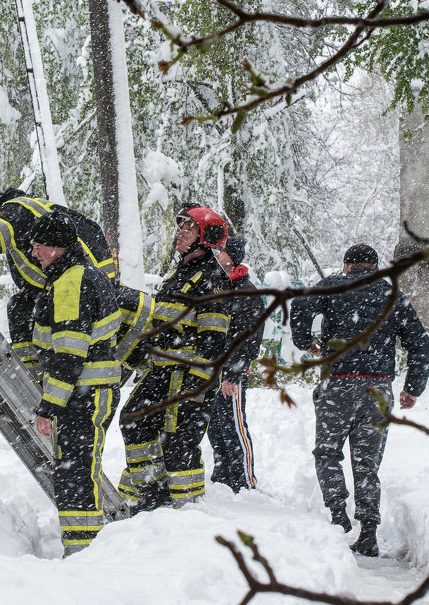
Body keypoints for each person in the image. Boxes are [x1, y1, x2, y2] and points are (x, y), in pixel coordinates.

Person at [290, 243, 429, 557]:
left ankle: (339, 516)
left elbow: (300, 305)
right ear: (376, 267)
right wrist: (413, 388)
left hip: (336, 385)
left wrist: (305, 341)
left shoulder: (333, 286)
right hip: (377, 390)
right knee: (366, 463)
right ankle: (368, 532)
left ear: (346, 266)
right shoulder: (392, 296)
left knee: (327, 453)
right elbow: (420, 344)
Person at [117, 205, 232, 512]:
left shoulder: (212, 279)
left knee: (179, 441)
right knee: (133, 422)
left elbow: (213, 338)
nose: (180, 234)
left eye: (188, 229)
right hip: (162, 371)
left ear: (206, 237)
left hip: (190, 375)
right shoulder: (177, 273)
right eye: (180, 228)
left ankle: (186, 509)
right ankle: (150, 492)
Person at [26, 212, 122, 557]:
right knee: (79, 471)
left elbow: (68, 354)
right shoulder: (82, 275)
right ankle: (82, 549)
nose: (34, 252)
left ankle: (82, 554)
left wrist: (49, 407)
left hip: (84, 395)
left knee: (76, 474)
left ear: (58, 247)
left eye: (39, 246)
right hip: (90, 393)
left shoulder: (70, 282)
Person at [0, 189, 115, 376]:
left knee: (20, 308)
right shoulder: (37, 207)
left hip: (77, 285)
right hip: (100, 285)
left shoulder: (12, 211)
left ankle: (32, 372)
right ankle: (38, 369)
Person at [206, 235, 264, 492]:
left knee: (235, 425)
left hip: (232, 372)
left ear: (234, 256)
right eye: (217, 251)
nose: (218, 255)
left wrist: (233, 372)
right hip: (213, 369)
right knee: (215, 426)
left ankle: (244, 479)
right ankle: (223, 476)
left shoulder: (246, 290)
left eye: (223, 251)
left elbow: (249, 337)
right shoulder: (216, 284)